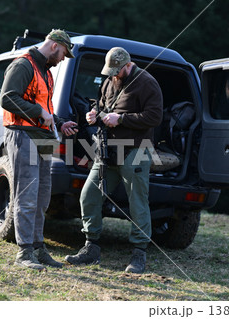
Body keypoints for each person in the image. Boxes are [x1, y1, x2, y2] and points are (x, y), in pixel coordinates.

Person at [65, 47, 163, 273]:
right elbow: (100, 105)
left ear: (128, 65)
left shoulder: (147, 82)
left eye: (117, 71)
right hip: (107, 150)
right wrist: (93, 114)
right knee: (88, 194)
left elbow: (155, 117)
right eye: (111, 71)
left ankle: (139, 253)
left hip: (136, 150)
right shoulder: (109, 80)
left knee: (138, 201)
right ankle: (91, 247)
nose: (113, 75)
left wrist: (121, 119)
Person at [0, 29, 78, 270]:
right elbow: (7, 98)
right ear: (55, 45)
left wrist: (58, 122)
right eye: (65, 53)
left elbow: (42, 107)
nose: (64, 58)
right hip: (23, 136)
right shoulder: (23, 65)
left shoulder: (46, 72)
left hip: (43, 138)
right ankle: (24, 253)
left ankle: (38, 247)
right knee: (27, 195)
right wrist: (39, 113)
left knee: (43, 195)